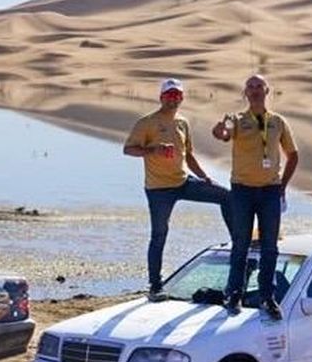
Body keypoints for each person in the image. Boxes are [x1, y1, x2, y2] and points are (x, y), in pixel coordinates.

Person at [123, 77, 233, 297]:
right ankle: (155, 285)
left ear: (181, 98)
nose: (173, 100)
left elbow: (188, 155)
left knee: (227, 196)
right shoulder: (147, 122)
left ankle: (238, 244)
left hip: (183, 181)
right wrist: (153, 150)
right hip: (158, 189)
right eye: (169, 95)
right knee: (159, 234)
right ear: (161, 97)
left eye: (177, 96)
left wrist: (204, 177)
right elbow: (128, 149)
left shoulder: (182, 122)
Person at [212, 74, 298, 320]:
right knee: (240, 244)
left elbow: (293, 154)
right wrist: (220, 130)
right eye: (250, 86)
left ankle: (267, 297)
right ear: (245, 93)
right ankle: (234, 295)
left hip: (270, 191)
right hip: (242, 190)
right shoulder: (237, 119)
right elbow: (224, 133)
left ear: (267, 90)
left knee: (270, 246)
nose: (255, 90)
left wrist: (283, 185)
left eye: (259, 86)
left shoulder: (278, 121)